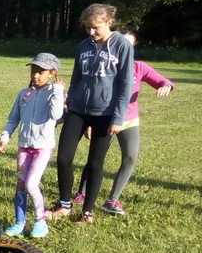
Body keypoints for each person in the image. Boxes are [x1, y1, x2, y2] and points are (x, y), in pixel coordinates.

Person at [47, 3, 135, 225]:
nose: (91, 32)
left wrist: (118, 118)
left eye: (96, 27)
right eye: (88, 28)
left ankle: (87, 211)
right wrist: (68, 105)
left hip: (105, 114)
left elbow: (125, 85)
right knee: (63, 157)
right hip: (78, 110)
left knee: (95, 162)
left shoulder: (122, 45)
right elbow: (77, 78)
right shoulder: (83, 46)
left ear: (109, 22)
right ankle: (64, 204)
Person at [72, 31, 174, 215]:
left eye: (128, 44)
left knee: (130, 157)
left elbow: (161, 80)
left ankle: (112, 200)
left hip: (129, 119)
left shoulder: (138, 67)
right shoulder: (102, 65)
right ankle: (82, 193)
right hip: (106, 118)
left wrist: (166, 86)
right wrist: (88, 122)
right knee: (96, 158)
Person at [0, 53, 66, 238]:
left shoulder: (55, 92)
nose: (35, 75)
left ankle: (40, 222)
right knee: (21, 185)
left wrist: (58, 91)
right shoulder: (23, 94)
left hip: (43, 148)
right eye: (33, 71)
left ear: (52, 73)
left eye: (40, 72)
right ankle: (19, 223)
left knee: (31, 185)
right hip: (24, 147)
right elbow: (13, 119)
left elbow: (56, 115)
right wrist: (5, 136)